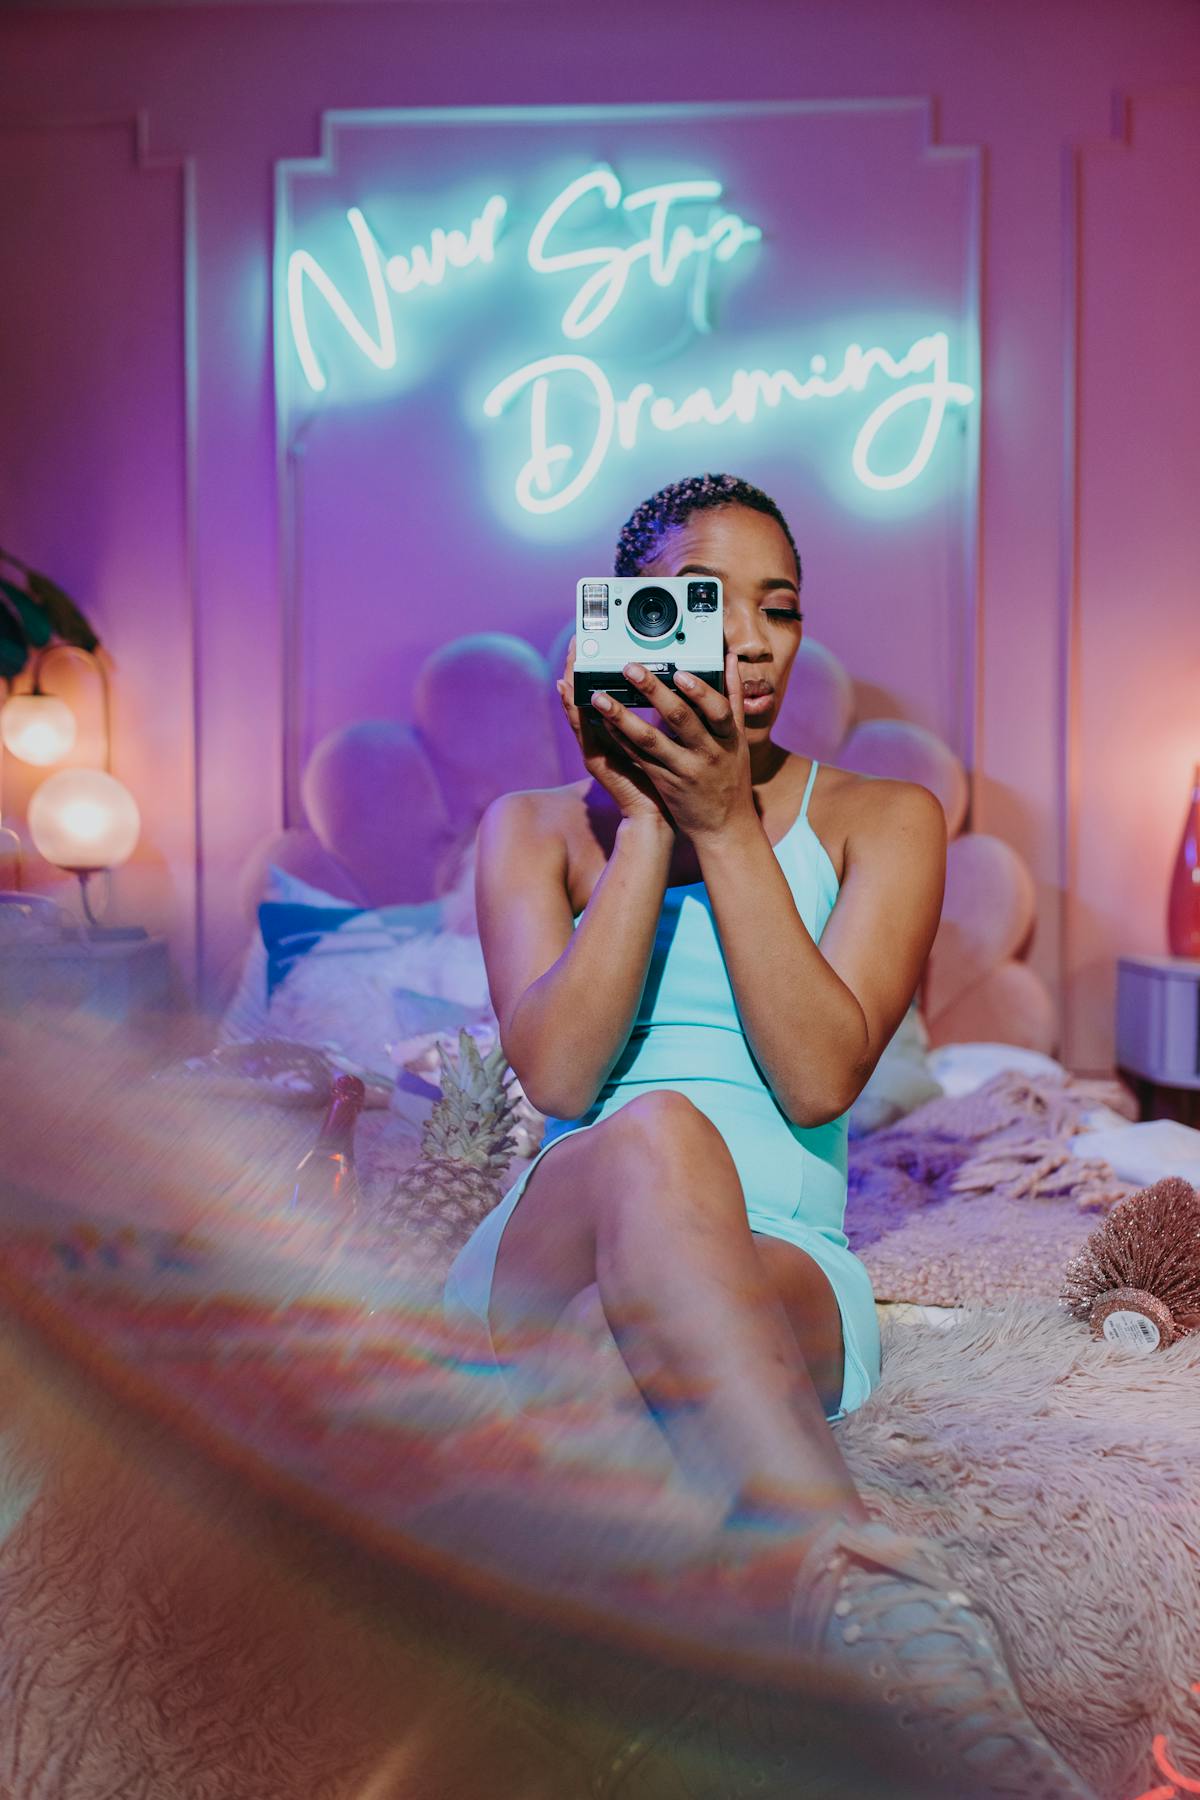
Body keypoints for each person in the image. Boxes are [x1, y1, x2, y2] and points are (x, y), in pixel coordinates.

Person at [443, 474, 1099, 1799]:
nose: (745, 639)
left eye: (779, 608)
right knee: (651, 1132)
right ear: (628, 623)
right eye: (699, 603)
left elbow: (817, 1079)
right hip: (559, 1231)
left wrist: (726, 825)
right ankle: (898, 1639)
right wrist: (641, 826)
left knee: (605, 1366)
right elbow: (562, 1066)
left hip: (782, 1257)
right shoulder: (529, 832)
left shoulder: (883, 818)